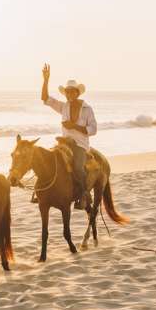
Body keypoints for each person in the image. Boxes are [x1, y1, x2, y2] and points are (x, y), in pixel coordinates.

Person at [40, 64, 97, 209]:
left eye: (72, 92)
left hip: (80, 145)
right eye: (67, 92)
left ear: (77, 93)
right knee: (47, 161)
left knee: (78, 167)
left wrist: (75, 126)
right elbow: (45, 98)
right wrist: (46, 80)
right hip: (64, 143)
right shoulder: (63, 106)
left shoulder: (87, 109)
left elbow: (93, 129)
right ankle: (41, 193)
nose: (69, 94)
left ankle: (84, 195)